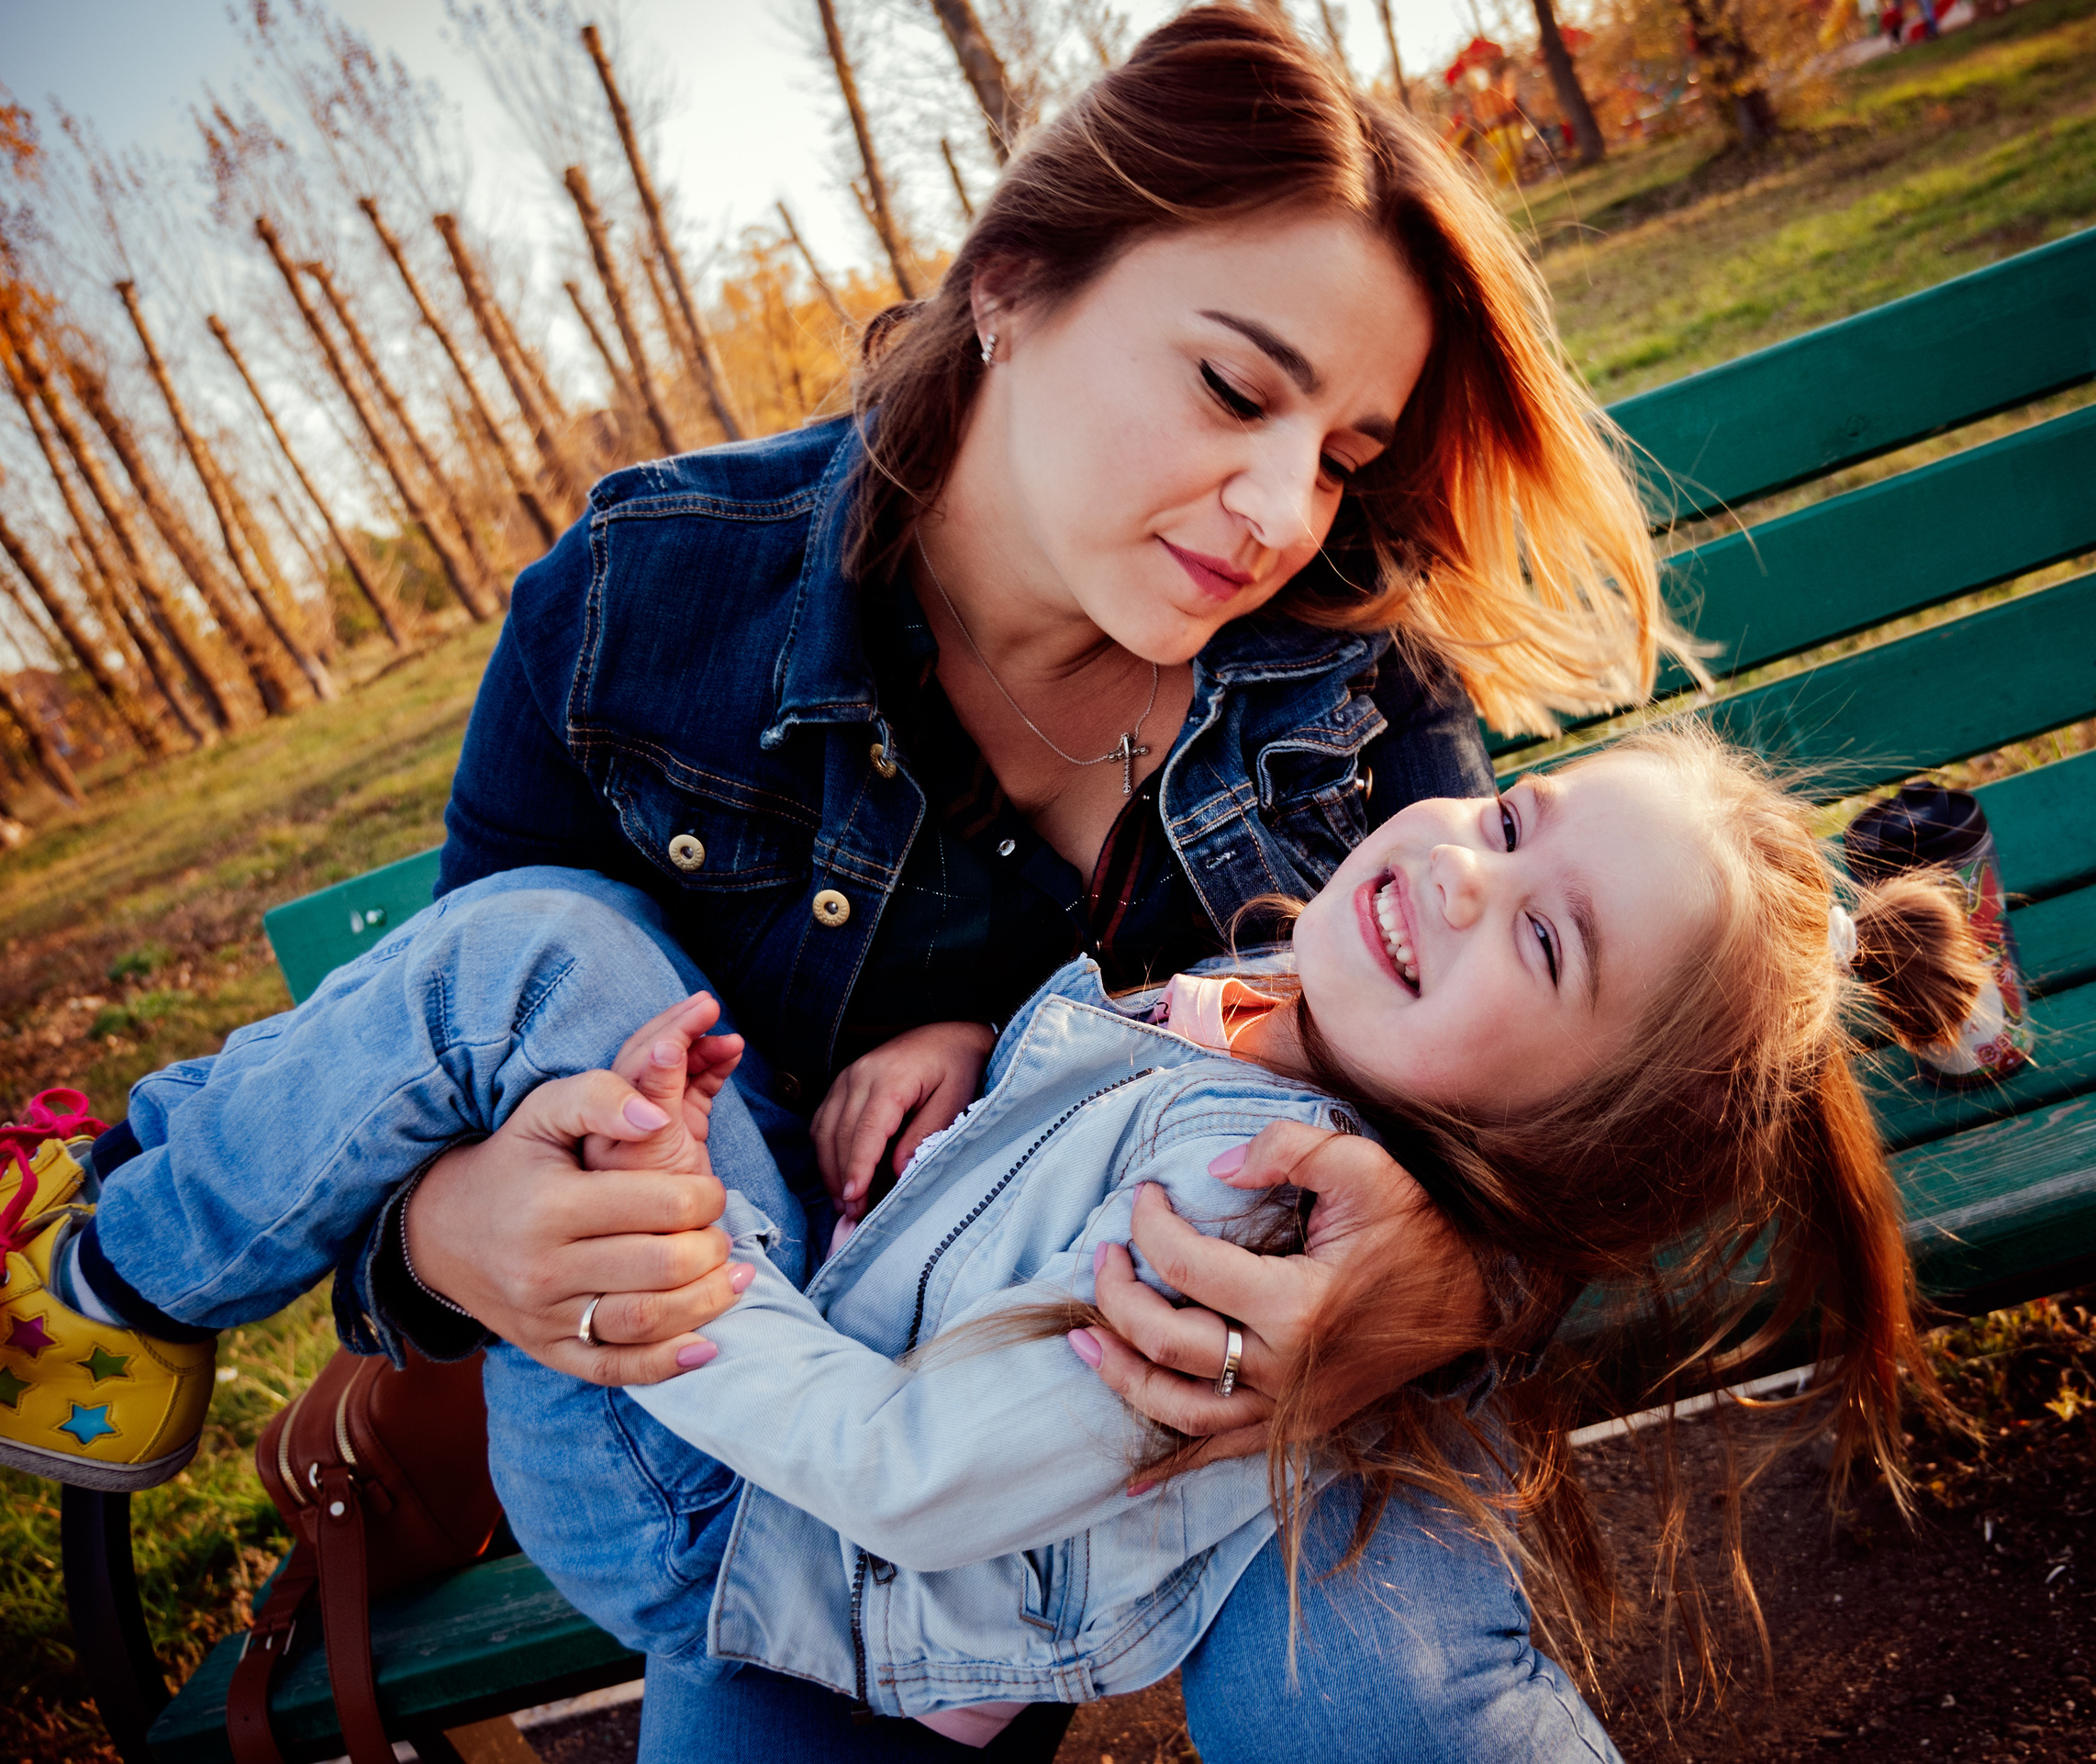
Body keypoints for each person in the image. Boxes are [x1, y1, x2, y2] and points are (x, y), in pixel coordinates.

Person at [282, 8, 1686, 1756]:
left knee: (1390, 1707)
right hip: (824, 1435)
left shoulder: (1348, 663)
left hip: (1284, 1417)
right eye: (1237, 388)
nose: (1278, 510)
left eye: (1340, 454)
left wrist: (1458, 1281)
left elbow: (1579, 1099)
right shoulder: (637, 618)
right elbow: (419, 1091)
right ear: (1011, 284)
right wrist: (446, 1238)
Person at [3, 726, 1981, 1760]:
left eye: (1540, 939)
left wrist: (680, 1281)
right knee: (551, 953)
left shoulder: (1248, 1227)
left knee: (531, 946)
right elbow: (1087, 1101)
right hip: (780, 1390)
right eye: (1518, 820)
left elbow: (913, 1476)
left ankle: (108, 1282)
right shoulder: (1277, 1016)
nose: (1460, 874)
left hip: (736, 1500)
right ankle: (132, 1274)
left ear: (1542, 1153)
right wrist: (959, 1041)